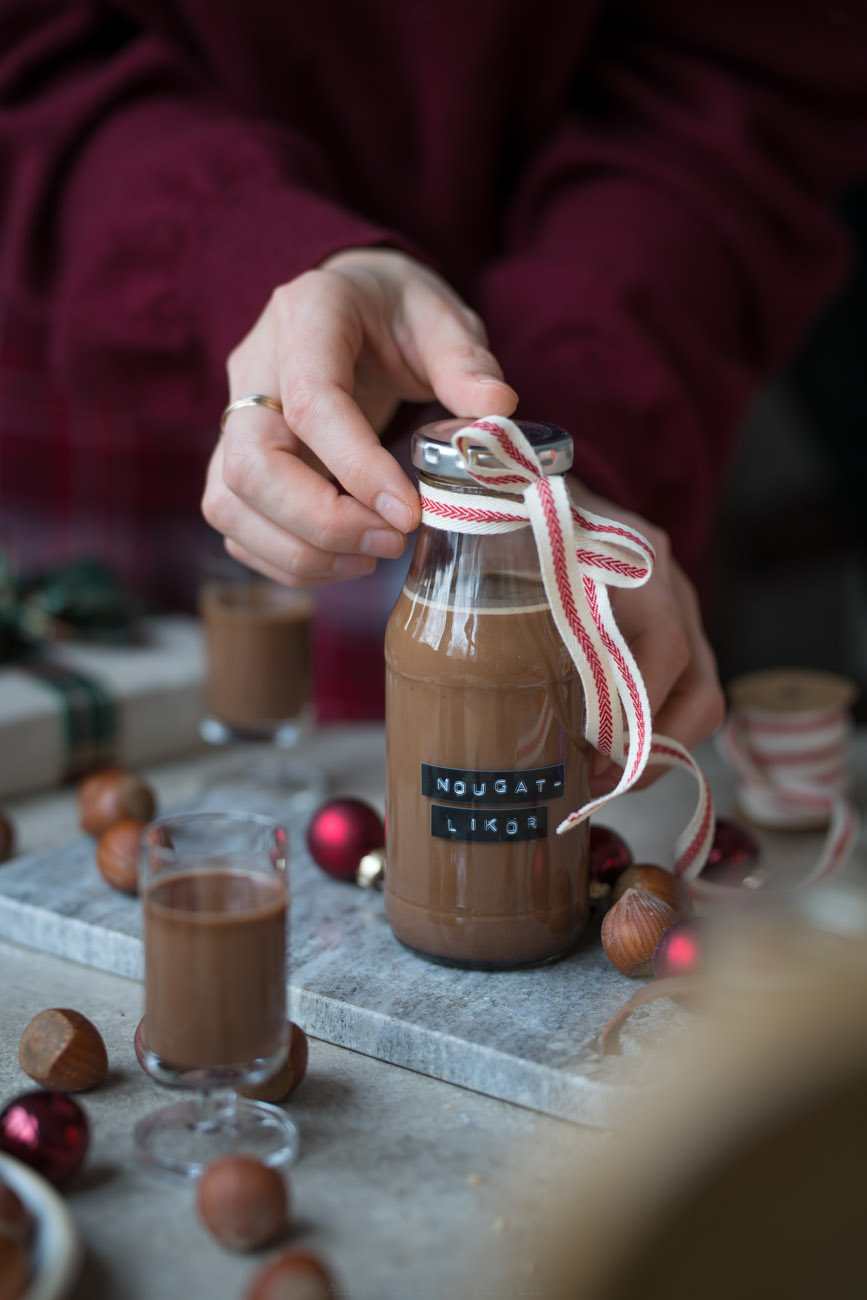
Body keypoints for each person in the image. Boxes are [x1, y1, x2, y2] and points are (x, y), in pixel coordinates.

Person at [1, 1, 866, 785]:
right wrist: (241, 248)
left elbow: (738, 79)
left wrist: (570, 425)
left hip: (566, 338)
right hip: (87, 288)